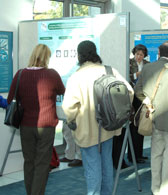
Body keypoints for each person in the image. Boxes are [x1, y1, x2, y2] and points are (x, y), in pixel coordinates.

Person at [62, 40, 133, 195]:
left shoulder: (77, 76)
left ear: (79, 55)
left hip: (87, 130)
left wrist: (72, 120)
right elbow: (129, 93)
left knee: (92, 167)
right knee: (106, 164)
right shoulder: (109, 70)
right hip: (109, 127)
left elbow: (68, 107)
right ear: (95, 52)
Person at [7, 44, 65, 195]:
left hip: (26, 126)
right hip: (46, 126)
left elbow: (10, 100)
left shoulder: (20, 74)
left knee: (29, 162)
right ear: (47, 57)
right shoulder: (52, 74)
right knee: (42, 164)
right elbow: (62, 90)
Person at [135, 41, 168, 195]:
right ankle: (166, 190)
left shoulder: (147, 68)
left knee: (156, 154)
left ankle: (155, 188)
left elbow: (138, 90)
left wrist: (148, 103)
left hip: (153, 117)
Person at [128, 44, 150, 164]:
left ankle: (139, 153)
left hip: (143, 95)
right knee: (134, 126)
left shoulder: (147, 64)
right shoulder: (129, 63)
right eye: (137, 54)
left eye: (141, 55)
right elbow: (126, 76)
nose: (139, 57)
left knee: (142, 125)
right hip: (132, 96)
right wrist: (137, 74)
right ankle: (132, 155)